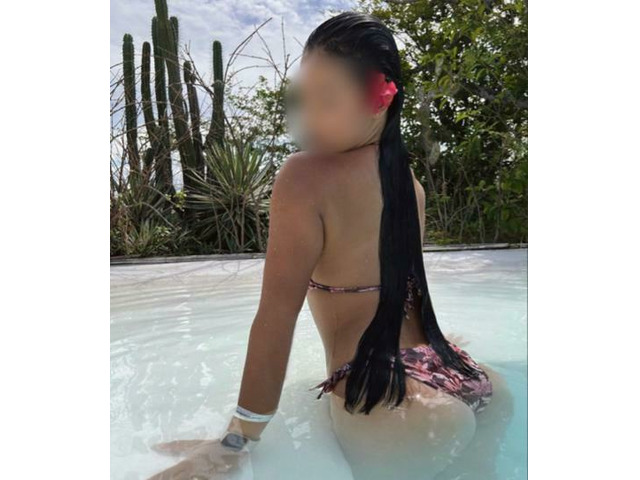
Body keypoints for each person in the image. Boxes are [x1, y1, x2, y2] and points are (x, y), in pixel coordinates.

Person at [148, 11, 512, 480]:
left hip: (387, 393)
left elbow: (276, 316)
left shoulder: (304, 176)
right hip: (465, 380)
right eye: (304, 99)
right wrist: (440, 354)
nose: (308, 118)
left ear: (378, 100)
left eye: (327, 100)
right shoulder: (410, 186)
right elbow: (407, 293)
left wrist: (236, 439)